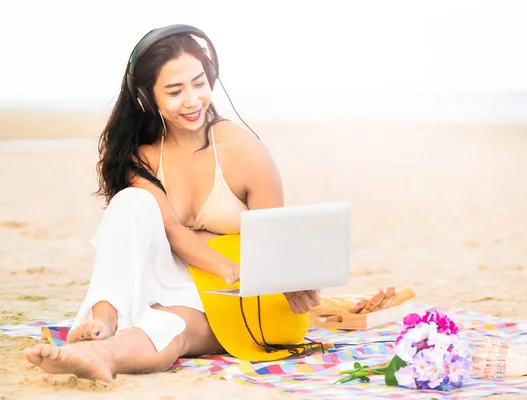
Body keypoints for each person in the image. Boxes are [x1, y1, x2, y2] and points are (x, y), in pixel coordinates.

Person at [24, 24, 322, 382]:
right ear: (148, 98)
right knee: (131, 202)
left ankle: (102, 354)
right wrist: (225, 267)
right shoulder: (144, 157)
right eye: (175, 91)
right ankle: (103, 320)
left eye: (199, 83)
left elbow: (273, 239)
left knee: (170, 324)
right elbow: (171, 231)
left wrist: (251, 275)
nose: (193, 100)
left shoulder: (244, 151)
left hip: (231, 295)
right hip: (171, 277)